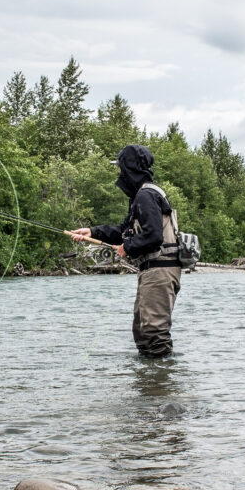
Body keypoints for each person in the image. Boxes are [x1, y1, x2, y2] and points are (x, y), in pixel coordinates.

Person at [67, 143, 183, 357]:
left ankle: (161, 385)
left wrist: (126, 248)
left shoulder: (146, 196)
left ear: (130, 168)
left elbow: (154, 236)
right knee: (141, 332)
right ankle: (148, 384)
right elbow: (124, 231)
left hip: (160, 271)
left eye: (121, 168)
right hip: (153, 271)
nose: (120, 173)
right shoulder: (142, 195)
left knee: (154, 334)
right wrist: (91, 232)